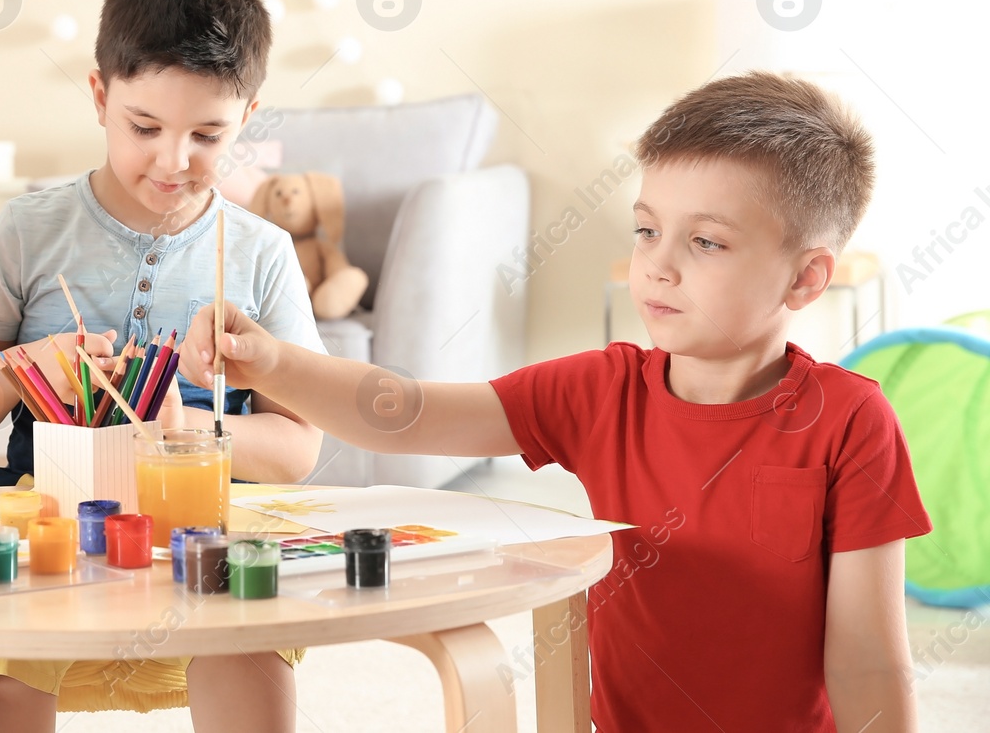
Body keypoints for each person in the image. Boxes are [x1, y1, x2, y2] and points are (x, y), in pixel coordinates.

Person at [184, 71, 929, 733]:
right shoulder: (599, 389)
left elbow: (868, 660)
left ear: (805, 279)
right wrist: (272, 362)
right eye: (647, 230)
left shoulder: (850, 421)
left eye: (705, 242)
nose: (657, 265)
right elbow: (403, 412)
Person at [0, 0, 325, 731]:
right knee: (0, 679)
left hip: (209, 530)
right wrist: (17, 369)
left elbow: (298, 446)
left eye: (208, 133)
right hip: (43, 525)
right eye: (145, 127)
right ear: (100, 96)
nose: (173, 161)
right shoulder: (29, 231)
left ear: (249, 115)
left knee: (250, 660)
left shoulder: (261, 252)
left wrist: (191, 431)